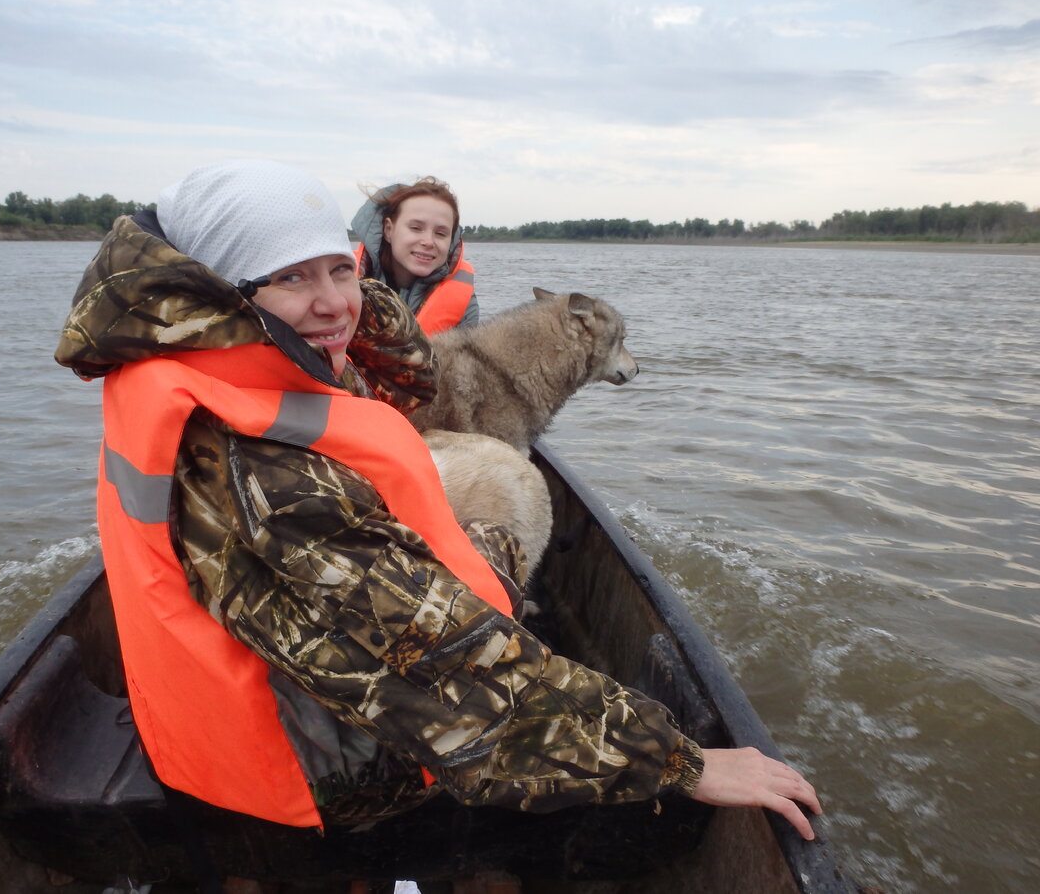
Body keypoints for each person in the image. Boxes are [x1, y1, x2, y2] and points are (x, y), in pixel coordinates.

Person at [54, 159, 821, 841]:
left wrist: (354, 304)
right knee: (505, 516)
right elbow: (448, 672)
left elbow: (406, 377)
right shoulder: (248, 465)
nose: (331, 304)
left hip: (198, 726)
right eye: (291, 276)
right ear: (221, 289)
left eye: (337, 270)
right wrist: (680, 762)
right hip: (311, 772)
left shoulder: (206, 359)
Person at [350, 176, 478, 333]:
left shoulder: (465, 303)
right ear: (388, 230)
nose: (428, 241)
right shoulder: (342, 280)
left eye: (440, 233)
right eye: (416, 228)